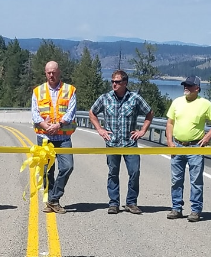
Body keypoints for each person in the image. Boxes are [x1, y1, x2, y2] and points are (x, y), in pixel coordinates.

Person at [88, 68, 153, 214]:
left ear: (125, 83)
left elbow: (149, 113)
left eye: (117, 82)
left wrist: (142, 131)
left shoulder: (135, 98)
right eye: (112, 81)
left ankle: (131, 203)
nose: (114, 84)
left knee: (134, 172)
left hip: (130, 143)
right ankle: (114, 203)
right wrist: (100, 129)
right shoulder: (105, 98)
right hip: (112, 143)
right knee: (113, 173)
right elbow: (92, 113)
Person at [165, 75, 211, 222]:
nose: (186, 87)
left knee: (196, 181)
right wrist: (169, 141)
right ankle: (176, 208)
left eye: (189, 85)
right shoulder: (177, 102)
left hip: (195, 146)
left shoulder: (204, 104)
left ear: (197, 88)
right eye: (185, 85)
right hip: (178, 146)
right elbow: (170, 123)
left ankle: (196, 210)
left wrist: (208, 136)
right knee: (176, 180)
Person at [31, 60, 77, 213]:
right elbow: (35, 113)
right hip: (44, 138)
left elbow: (71, 112)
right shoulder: (38, 91)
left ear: (59, 72)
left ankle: (53, 198)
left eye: (54, 72)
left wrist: (59, 125)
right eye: (49, 72)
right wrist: (44, 125)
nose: (51, 75)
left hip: (63, 138)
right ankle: (52, 201)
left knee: (67, 167)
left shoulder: (69, 90)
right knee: (46, 171)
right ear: (45, 73)